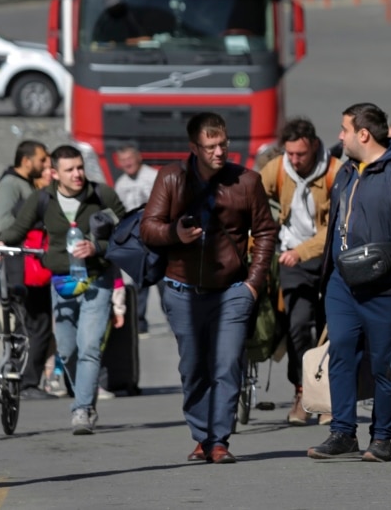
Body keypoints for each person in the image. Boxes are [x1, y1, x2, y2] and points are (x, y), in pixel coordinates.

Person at [140, 113, 278, 463]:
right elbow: (148, 228)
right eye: (211, 146)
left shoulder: (246, 181)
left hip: (232, 290)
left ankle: (218, 441)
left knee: (227, 363)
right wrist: (175, 234)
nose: (219, 152)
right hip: (182, 290)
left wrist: (253, 283)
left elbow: (265, 232)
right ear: (194, 148)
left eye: (223, 145)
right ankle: (201, 436)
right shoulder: (171, 177)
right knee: (194, 366)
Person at [306, 103, 391, 463]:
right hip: (342, 284)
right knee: (341, 352)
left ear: (364, 134)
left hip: (386, 286)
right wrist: (327, 276)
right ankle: (342, 431)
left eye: (345, 129)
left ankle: (381, 437)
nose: (340, 136)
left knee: (384, 364)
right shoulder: (346, 171)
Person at [0, 145, 127, 434]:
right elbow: (16, 230)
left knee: (90, 347)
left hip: (97, 279)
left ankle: (82, 409)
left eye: (80, 167)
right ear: (55, 173)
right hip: (62, 282)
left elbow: (129, 230)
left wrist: (98, 247)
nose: (78, 174)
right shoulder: (42, 198)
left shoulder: (101, 194)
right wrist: (1, 244)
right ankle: (85, 395)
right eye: (70, 170)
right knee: (67, 351)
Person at [260, 119, 339, 426]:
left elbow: (333, 228)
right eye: (290, 154)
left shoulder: (334, 171)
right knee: (297, 327)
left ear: (314, 146)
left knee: (328, 330)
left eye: (300, 154)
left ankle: (327, 398)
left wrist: (302, 251)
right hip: (291, 260)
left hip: (326, 258)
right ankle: (302, 392)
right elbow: (252, 197)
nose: (294, 160)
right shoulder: (278, 168)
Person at [0, 140, 55, 399]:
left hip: (31, 263)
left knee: (37, 323)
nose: (44, 166)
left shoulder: (26, 185)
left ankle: (27, 381)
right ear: (26, 160)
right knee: (30, 323)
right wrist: (33, 215)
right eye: (41, 160)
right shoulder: (11, 185)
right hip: (19, 265)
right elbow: (2, 222)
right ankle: (26, 383)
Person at [113, 146, 159, 333]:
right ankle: (139, 322)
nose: (127, 163)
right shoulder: (121, 184)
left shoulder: (153, 177)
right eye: (123, 160)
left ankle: (175, 319)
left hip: (157, 237)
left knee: (164, 281)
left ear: (139, 158)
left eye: (129, 158)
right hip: (136, 240)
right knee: (139, 281)